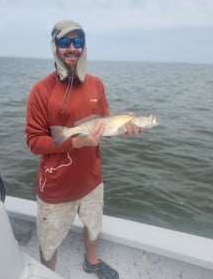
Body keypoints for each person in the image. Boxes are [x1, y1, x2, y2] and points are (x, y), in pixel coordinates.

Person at [25, 20, 139, 279]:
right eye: (65, 42)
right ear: (55, 46)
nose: (72, 48)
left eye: (78, 42)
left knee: (93, 226)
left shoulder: (97, 84)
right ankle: (48, 274)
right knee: (49, 242)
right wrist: (76, 141)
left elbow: (105, 126)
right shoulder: (40, 91)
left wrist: (124, 129)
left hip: (91, 180)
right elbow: (34, 142)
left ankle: (92, 261)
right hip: (56, 187)